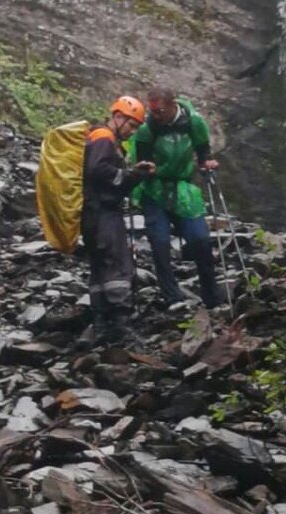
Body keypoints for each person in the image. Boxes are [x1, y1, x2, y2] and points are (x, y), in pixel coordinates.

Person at [129, 86, 221, 309]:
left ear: (173, 105)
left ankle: (212, 298)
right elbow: (142, 160)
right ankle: (172, 296)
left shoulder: (194, 122)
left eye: (159, 111)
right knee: (159, 242)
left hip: (183, 189)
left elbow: (203, 151)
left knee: (200, 239)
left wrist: (206, 163)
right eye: (152, 111)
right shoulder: (146, 129)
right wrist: (145, 169)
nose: (155, 115)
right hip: (154, 190)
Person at [82, 96, 155, 346]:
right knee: (117, 265)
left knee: (100, 266)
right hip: (103, 212)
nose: (132, 131)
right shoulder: (104, 137)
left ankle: (102, 323)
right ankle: (121, 324)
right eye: (131, 125)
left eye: (136, 127)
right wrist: (129, 175)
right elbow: (97, 170)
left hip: (92, 213)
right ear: (118, 117)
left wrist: (132, 175)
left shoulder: (99, 137)